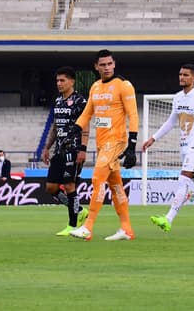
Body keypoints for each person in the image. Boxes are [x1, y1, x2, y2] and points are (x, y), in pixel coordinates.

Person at [143, 63, 194, 234]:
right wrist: (153, 138)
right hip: (184, 147)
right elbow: (171, 121)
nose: (182, 77)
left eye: (186, 75)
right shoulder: (178, 97)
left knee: (183, 179)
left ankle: (168, 218)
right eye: (180, 74)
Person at [69, 49, 138, 241]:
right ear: (96, 66)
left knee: (97, 179)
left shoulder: (123, 85)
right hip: (101, 143)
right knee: (116, 186)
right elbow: (87, 113)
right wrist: (75, 129)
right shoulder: (95, 87)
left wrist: (132, 145)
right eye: (103, 64)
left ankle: (88, 227)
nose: (107, 67)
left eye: (110, 64)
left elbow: (133, 115)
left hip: (116, 142)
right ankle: (126, 229)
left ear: (114, 64)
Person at [41, 66, 89, 235]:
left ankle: (72, 225)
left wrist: (83, 149)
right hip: (59, 151)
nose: (59, 84)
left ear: (72, 81)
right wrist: (47, 147)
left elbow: (85, 126)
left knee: (69, 185)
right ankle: (79, 210)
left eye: (62, 80)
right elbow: (55, 127)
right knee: (51, 188)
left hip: (74, 150)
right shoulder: (58, 101)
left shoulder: (80, 101)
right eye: (57, 81)